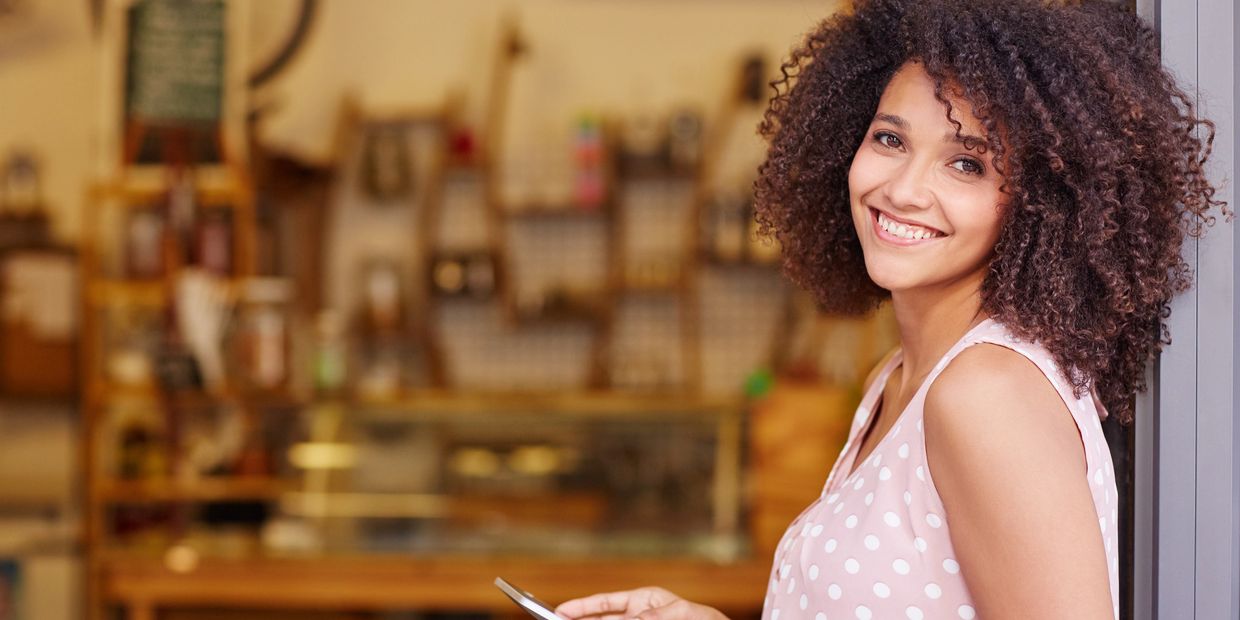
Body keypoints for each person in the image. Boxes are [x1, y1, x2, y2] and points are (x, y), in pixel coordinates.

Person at [555, 0, 1228, 618]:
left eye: (967, 164)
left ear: (1041, 202)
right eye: (890, 139)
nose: (903, 190)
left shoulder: (986, 397)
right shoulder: (899, 377)